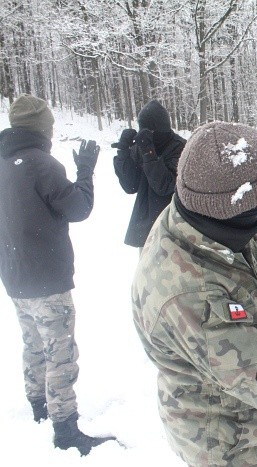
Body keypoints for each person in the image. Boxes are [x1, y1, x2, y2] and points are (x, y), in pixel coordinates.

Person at [132, 121, 257, 466]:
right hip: (228, 442)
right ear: (234, 207)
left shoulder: (194, 217)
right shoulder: (190, 292)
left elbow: (233, 273)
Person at [0, 94, 115, 455]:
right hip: (47, 278)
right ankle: (65, 428)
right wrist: (85, 172)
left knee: (34, 344)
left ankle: (38, 405)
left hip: (16, 275)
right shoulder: (41, 164)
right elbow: (78, 208)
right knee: (60, 354)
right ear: (43, 129)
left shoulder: (4, 161)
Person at [112, 99, 186, 249]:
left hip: (173, 225)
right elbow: (130, 185)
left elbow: (165, 186)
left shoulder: (180, 148)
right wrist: (123, 152)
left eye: (149, 132)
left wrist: (150, 154)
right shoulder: (143, 145)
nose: (146, 135)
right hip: (146, 227)